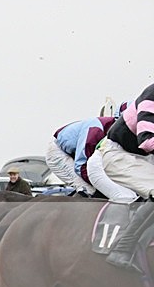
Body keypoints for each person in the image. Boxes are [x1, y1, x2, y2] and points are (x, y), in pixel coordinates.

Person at [101, 82, 154, 272]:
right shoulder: (152, 94)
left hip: (142, 158)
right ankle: (123, 247)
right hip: (119, 155)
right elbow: (147, 141)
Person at [45, 116, 117, 195]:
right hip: (58, 153)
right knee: (88, 190)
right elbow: (81, 166)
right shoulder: (95, 132)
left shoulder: (112, 128)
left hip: (72, 152)